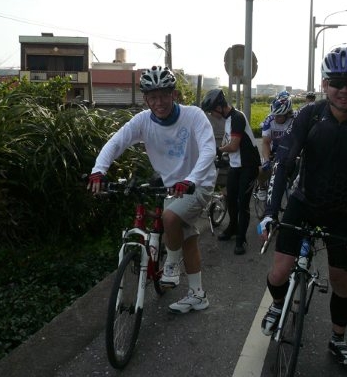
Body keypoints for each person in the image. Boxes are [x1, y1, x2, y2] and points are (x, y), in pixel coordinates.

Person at [258, 46, 347, 366]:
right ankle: (278, 304)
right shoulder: (310, 114)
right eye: (336, 83)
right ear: (324, 84)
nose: (344, 90)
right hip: (303, 202)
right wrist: (270, 213)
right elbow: (283, 162)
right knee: (279, 272)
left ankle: (337, 339)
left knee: (340, 281)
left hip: (343, 212)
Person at [88, 66, 217, 314]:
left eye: (164, 95)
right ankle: (198, 295)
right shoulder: (142, 121)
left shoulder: (193, 116)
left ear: (174, 94)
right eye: (153, 97)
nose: (159, 102)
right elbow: (116, 142)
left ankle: (171, 265)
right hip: (172, 188)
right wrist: (98, 170)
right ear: (146, 99)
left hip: (198, 183)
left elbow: (208, 150)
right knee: (187, 238)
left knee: (169, 218)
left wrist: (191, 179)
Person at [201, 89, 260, 255]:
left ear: (219, 107)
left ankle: (241, 239)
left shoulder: (237, 117)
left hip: (249, 166)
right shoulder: (227, 120)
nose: (212, 115)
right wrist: (221, 155)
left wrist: (218, 150)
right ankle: (233, 228)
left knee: (243, 203)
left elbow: (233, 146)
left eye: (211, 111)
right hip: (236, 165)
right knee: (231, 199)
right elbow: (229, 144)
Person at [257, 92, 296, 200]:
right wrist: (266, 160)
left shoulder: (294, 119)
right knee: (262, 170)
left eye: (279, 116)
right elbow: (265, 142)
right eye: (275, 115)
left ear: (287, 114)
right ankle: (262, 187)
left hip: (289, 149)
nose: (276, 118)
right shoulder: (269, 120)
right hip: (273, 149)